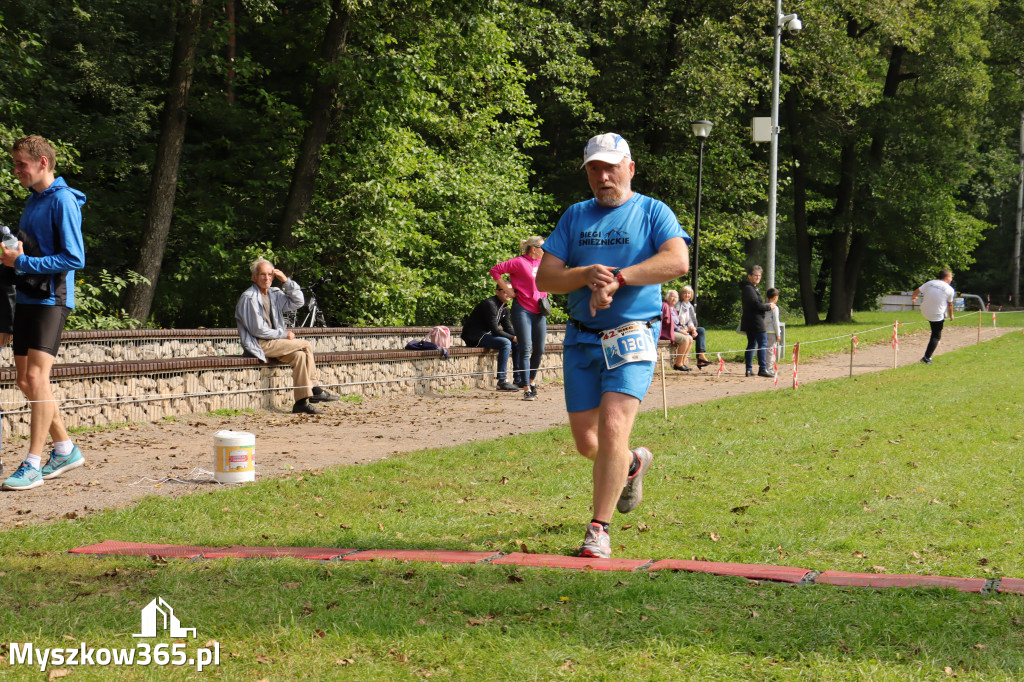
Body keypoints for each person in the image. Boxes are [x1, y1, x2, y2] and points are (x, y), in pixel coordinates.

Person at [536, 132, 690, 559]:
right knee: (589, 443)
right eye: (594, 169)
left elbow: (677, 261)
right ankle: (633, 463)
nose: (604, 177)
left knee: (612, 428)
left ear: (630, 168)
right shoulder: (575, 216)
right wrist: (585, 274)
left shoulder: (653, 211)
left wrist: (619, 278)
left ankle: (598, 530)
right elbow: (545, 279)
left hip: (633, 335)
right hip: (581, 337)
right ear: (587, 173)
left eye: (611, 168)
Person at [0, 135, 86, 491]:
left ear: (43, 163)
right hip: (27, 298)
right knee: (25, 380)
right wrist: (14, 257)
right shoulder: (33, 200)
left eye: (21, 164)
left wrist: (23, 260)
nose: (16, 169)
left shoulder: (63, 200)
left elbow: (74, 258)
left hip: (53, 300)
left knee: (37, 379)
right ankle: (65, 449)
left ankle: (32, 463)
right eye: (15, 163)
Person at [236, 258, 339, 414]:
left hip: (274, 342)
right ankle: (315, 389)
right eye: (262, 275)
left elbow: (298, 301)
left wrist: (285, 281)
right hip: (259, 344)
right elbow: (258, 330)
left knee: (299, 356)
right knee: (305, 345)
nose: (267, 278)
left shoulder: (274, 294)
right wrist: (284, 334)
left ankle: (300, 403)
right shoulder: (249, 298)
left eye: (270, 274)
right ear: (254, 277)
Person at [490, 236, 548, 401]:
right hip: (522, 309)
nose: (546, 251)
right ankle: (527, 388)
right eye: (543, 248)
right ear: (534, 249)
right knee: (525, 348)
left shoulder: (543, 263)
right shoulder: (518, 262)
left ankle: (532, 380)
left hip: (540, 310)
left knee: (540, 349)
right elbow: (495, 270)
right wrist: (508, 291)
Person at [461, 281, 519, 391]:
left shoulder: (505, 307)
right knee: (506, 342)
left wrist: (519, 338)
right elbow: (496, 331)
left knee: (516, 343)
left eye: (511, 291)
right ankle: (502, 381)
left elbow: (508, 329)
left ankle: (518, 379)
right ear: (497, 292)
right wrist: (513, 338)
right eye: (505, 290)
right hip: (474, 336)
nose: (509, 293)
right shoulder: (490, 304)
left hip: (487, 334)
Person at [740, 265, 776, 378]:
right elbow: (755, 304)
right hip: (755, 321)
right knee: (762, 343)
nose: (758, 277)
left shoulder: (752, 288)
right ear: (749, 276)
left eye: (759, 275)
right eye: (755, 275)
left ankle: (749, 369)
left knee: (752, 344)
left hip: (752, 320)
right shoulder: (749, 288)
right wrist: (768, 307)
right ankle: (762, 369)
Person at [912, 269, 954, 364]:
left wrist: (914, 297)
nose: (951, 279)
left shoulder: (930, 283)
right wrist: (951, 315)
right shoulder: (950, 289)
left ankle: (943, 313)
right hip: (936, 314)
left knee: (938, 314)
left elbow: (916, 291)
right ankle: (926, 358)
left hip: (924, 310)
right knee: (936, 335)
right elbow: (950, 305)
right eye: (951, 277)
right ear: (947, 277)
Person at [676, 285, 711, 369]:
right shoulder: (678, 304)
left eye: (689, 293)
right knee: (694, 333)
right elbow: (675, 319)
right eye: (685, 293)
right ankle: (693, 360)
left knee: (701, 330)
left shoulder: (689, 306)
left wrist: (693, 329)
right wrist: (683, 328)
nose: (687, 295)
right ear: (681, 294)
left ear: (691, 295)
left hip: (687, 328)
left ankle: (701, 356)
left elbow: (691, 320)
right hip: (679, 328)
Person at [660, 290, 690, 371]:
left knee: (690, 338)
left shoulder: (673, 309)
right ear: (667, 297)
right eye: (672, 296)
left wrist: (683, 328)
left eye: (676, 297)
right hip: (666, 331)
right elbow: (668, 322)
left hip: (674, 330)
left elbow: (677, 323)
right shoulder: (665, 306)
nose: (674, 299)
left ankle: (683, 362)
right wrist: (680, 331)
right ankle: (678, 364)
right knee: (685, 339)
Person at [764, 287, 782, 362]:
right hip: (772, 332)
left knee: (764, 349)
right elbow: (776, 321)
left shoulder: (764, 306)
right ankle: (770, 367)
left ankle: (764, 366)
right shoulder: (775, 308)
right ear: (775, 298)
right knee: (771, 350)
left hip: (764, 331)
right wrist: (778, 334)